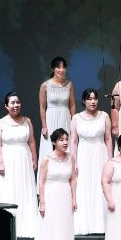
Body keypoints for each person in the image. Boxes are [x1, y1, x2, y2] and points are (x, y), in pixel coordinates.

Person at [28, 128, 77, 240]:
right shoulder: (47, 159)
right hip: (51, 196)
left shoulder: (71, 158)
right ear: (54, 142)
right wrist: (42, 202)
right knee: (51, 228)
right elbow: (41, 182)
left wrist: (74, 198)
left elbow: (73, 179)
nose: (65, 142)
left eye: (66, 139)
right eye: (61, 140)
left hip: (65, 196)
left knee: (63, 229)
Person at [0, 92, 39, 237]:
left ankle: (27, 224)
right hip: (8, 160)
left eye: (17, 102)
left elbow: (31, 141)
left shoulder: (27, 121)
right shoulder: (0, 123)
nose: (16, 105)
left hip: (24, 159)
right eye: (12, 103)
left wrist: (34, 159)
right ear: (6, 106)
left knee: (25, 188)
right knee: (9, 189)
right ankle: (7, 227)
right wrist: (0, 162)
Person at [71, 88, 112, 235]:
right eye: (89, 99)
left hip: (100, 153)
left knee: (100, 185)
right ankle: (85, 224)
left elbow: (108, 139)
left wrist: (110, 160)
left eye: (95, 98)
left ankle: (101, 224)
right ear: (84, 101)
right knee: (85, 186)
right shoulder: (76, 118)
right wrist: (74, 161)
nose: (93, 101)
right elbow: (74, 141)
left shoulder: (104, 116)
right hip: (83, 154)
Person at [37, 56, 75, 184]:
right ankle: (45, 183)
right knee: (49, 148)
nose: (61, 70)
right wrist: (44, 125)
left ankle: (67, 181)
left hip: (65, 117)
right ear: (53, 69)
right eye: (59, 67)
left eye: (63, 67)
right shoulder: (45, 85)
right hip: (51, 118)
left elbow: (72, 105)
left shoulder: (69, 84)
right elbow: (42, 107)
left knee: (66, 145)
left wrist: (73, 122)